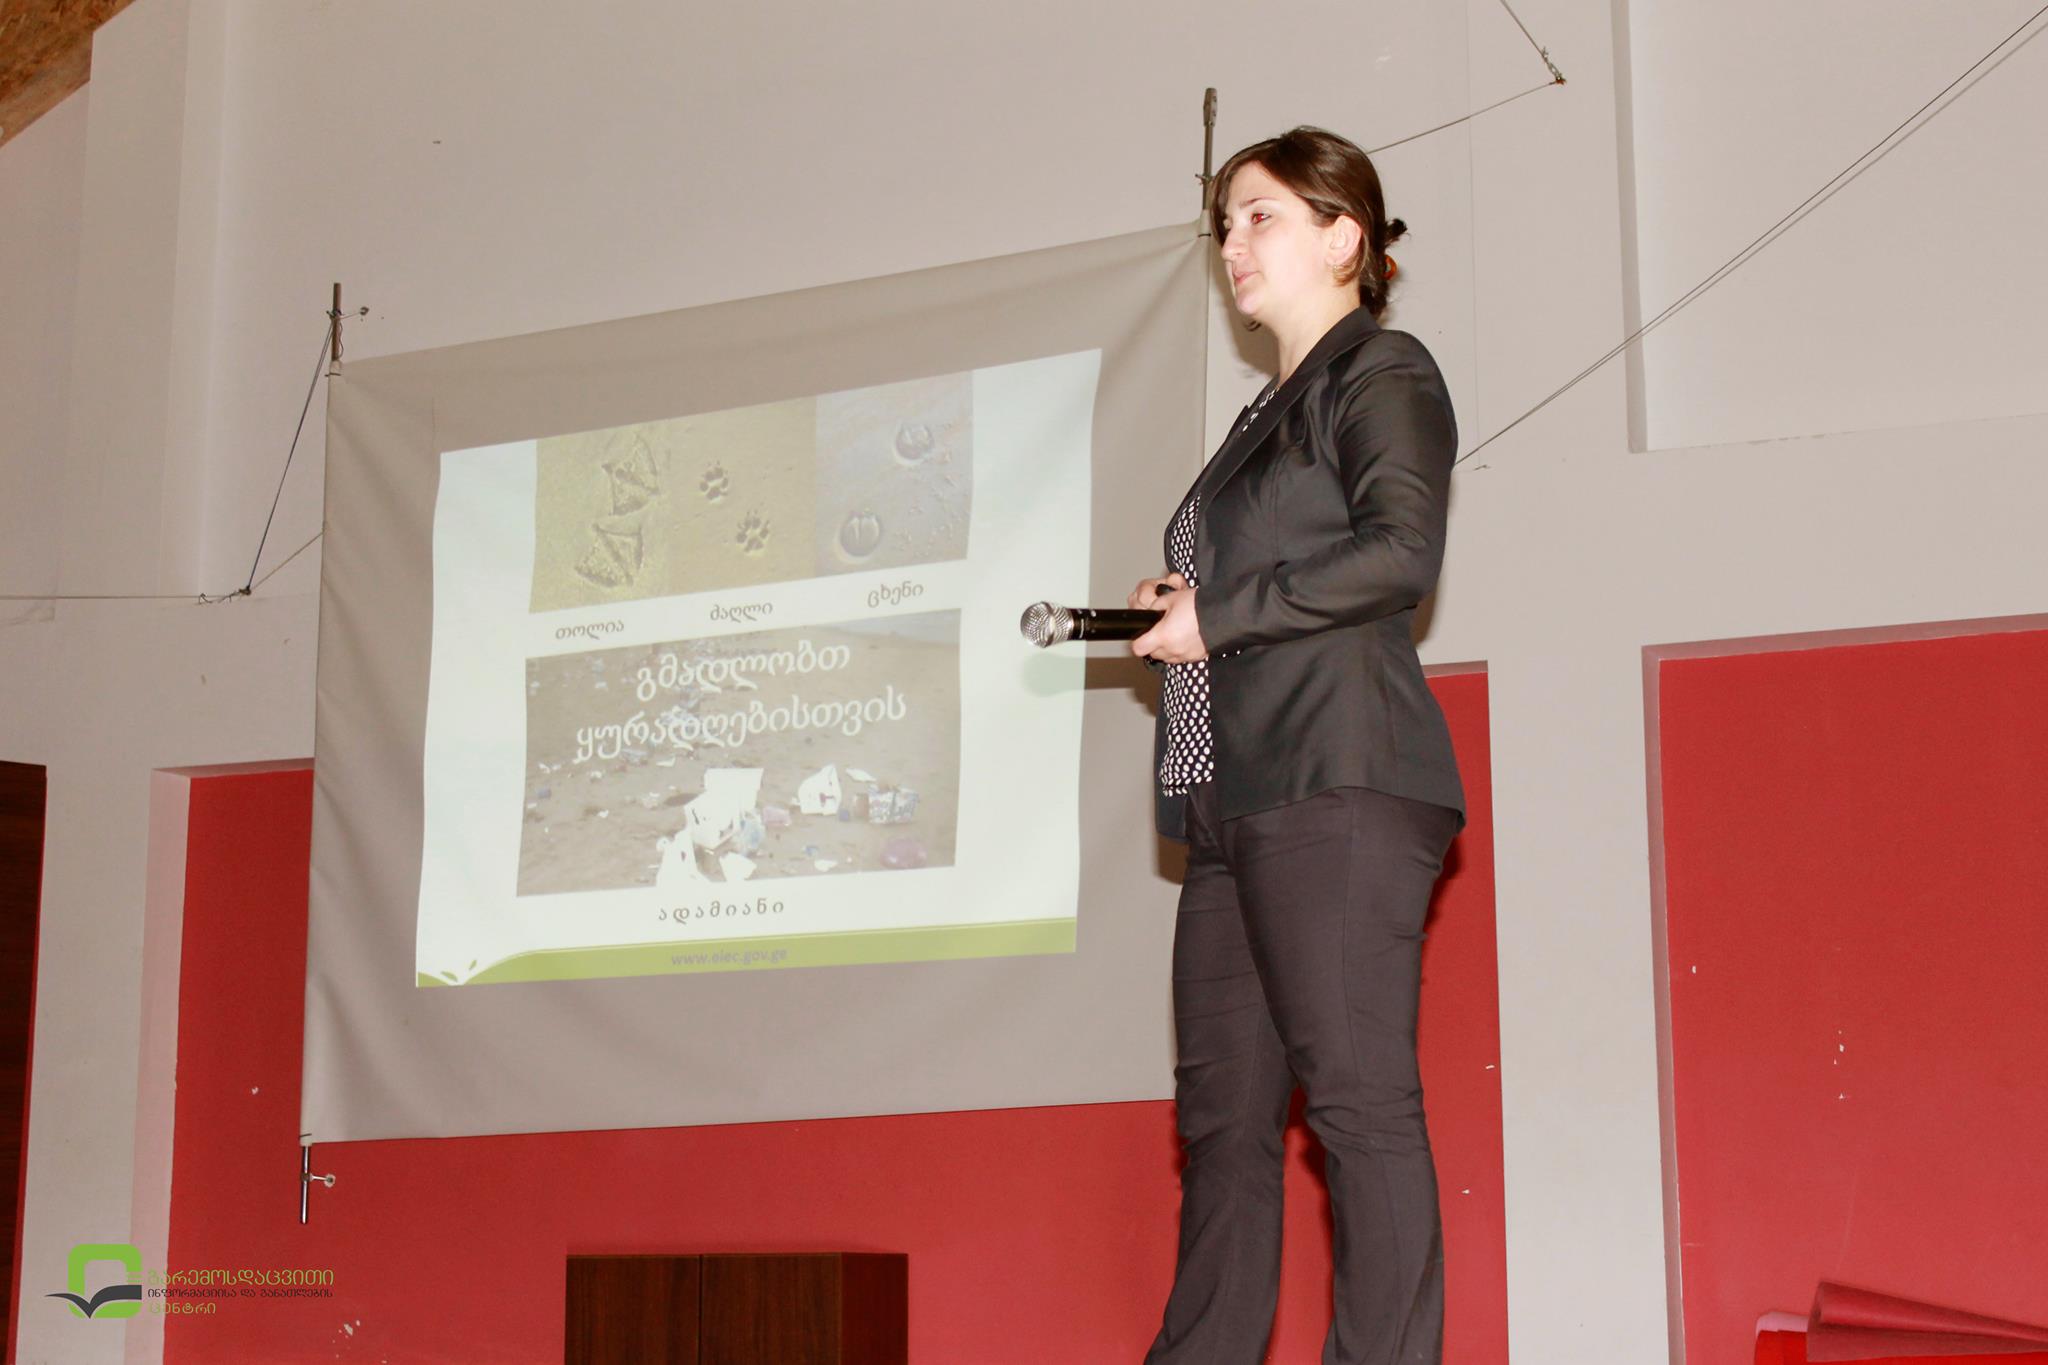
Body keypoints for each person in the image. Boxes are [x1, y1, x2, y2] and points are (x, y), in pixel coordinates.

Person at [1128, 126, 1468, 1365]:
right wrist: (1181, 605)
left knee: (1356, 1106)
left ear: (1343, 238)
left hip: (1336, 780)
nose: (1231, 243)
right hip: (1231, 802)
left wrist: (1217, 613)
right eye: (1223, 224)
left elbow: (1399, 552)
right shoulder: (1260, 415)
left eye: (1260, 216)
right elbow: (1270, 570)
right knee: (1221, 1126)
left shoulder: (1379, 370)